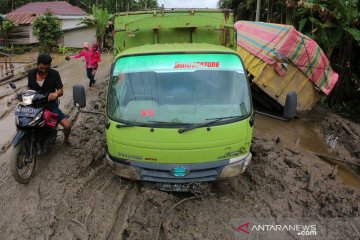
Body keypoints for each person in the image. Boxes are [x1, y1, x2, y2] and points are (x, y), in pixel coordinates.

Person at [28, 53, 72, 145]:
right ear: (37, 64)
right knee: (22, 121)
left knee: (67, 126)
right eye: (41, 68)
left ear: (50, 66)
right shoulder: (31, 73)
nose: (44, 70)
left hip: (49, 106)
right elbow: (29, 89)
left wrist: (55, 94)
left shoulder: (54, 74)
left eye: (46, 68)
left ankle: (66, 139)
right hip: (34, 106)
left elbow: (60, 91)